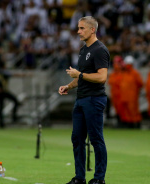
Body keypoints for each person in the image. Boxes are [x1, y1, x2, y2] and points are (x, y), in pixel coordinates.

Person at [58, 16, 109, 184]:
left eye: (82, 28)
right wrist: (69, 86)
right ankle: (79, 178)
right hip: (81, 100)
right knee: (77, 139)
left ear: (92, 29)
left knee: (96, 139)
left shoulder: (100, 50)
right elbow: (82, 77)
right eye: (78, 28)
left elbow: (102, 77)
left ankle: (99, 179)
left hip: (94, 100)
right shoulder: (83, 50)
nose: (78, 31)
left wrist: (79, 74)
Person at [0, 62, 27, 128]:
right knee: (15, 101)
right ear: (3, 67)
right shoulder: (3, 73)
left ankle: (2, 123)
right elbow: (14, 75)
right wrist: (24, 75)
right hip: (3, 92)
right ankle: (13, 118)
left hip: (1, 92)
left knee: (1, 107)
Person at [119, 55, 143, 128]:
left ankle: (136, 124)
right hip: (125, 97)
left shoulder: (135, 73)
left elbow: (140, 83)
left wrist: (135, 91)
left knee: (133, 111)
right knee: (126, 112)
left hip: (132, 96)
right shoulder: (124, 73)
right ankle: (129, 125)